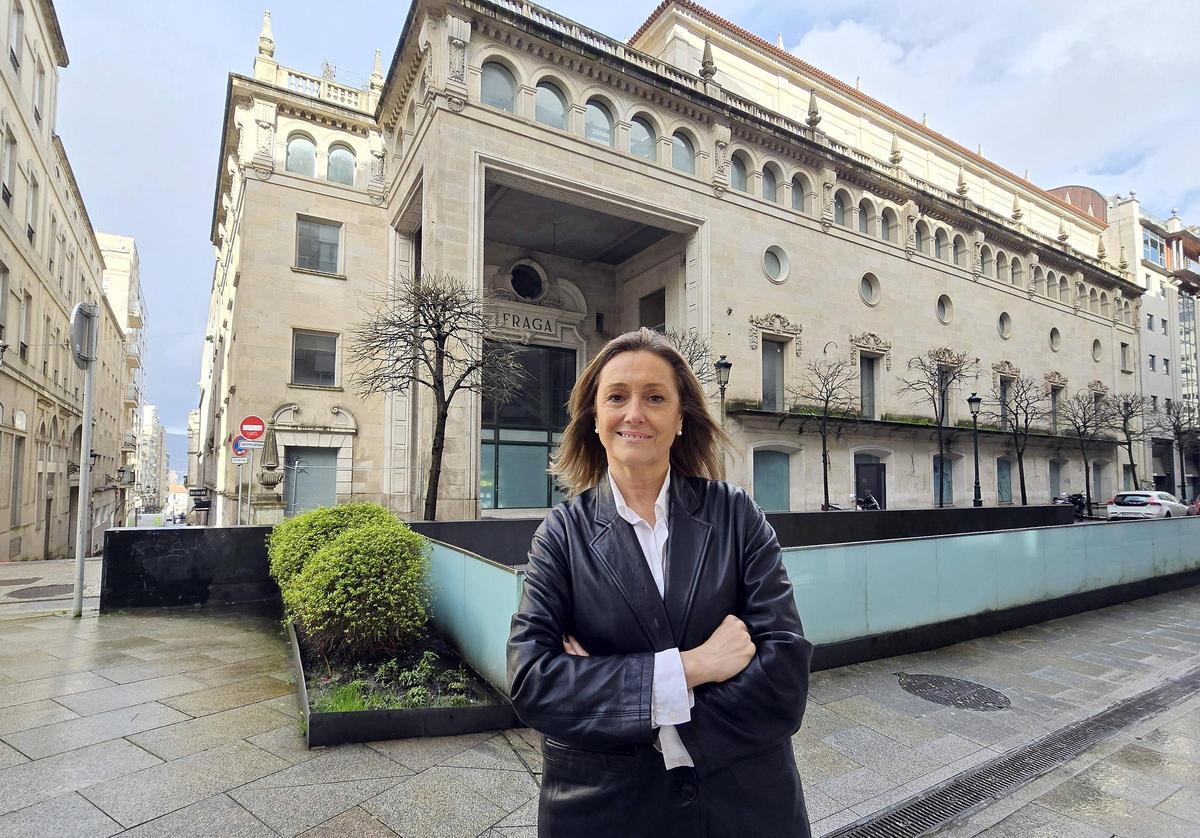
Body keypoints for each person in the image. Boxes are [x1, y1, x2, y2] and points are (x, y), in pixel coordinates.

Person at [508, 328, 813, 837]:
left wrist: (613, 693)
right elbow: (534, 682)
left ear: (680, 418)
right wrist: (694, 667)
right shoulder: (561, 534)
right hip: (607, 812)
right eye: (617, 397)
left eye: (655, 397)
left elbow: (783, 678)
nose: (635, 413)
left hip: (745, 807)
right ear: (595, 420)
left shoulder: (738, 516)